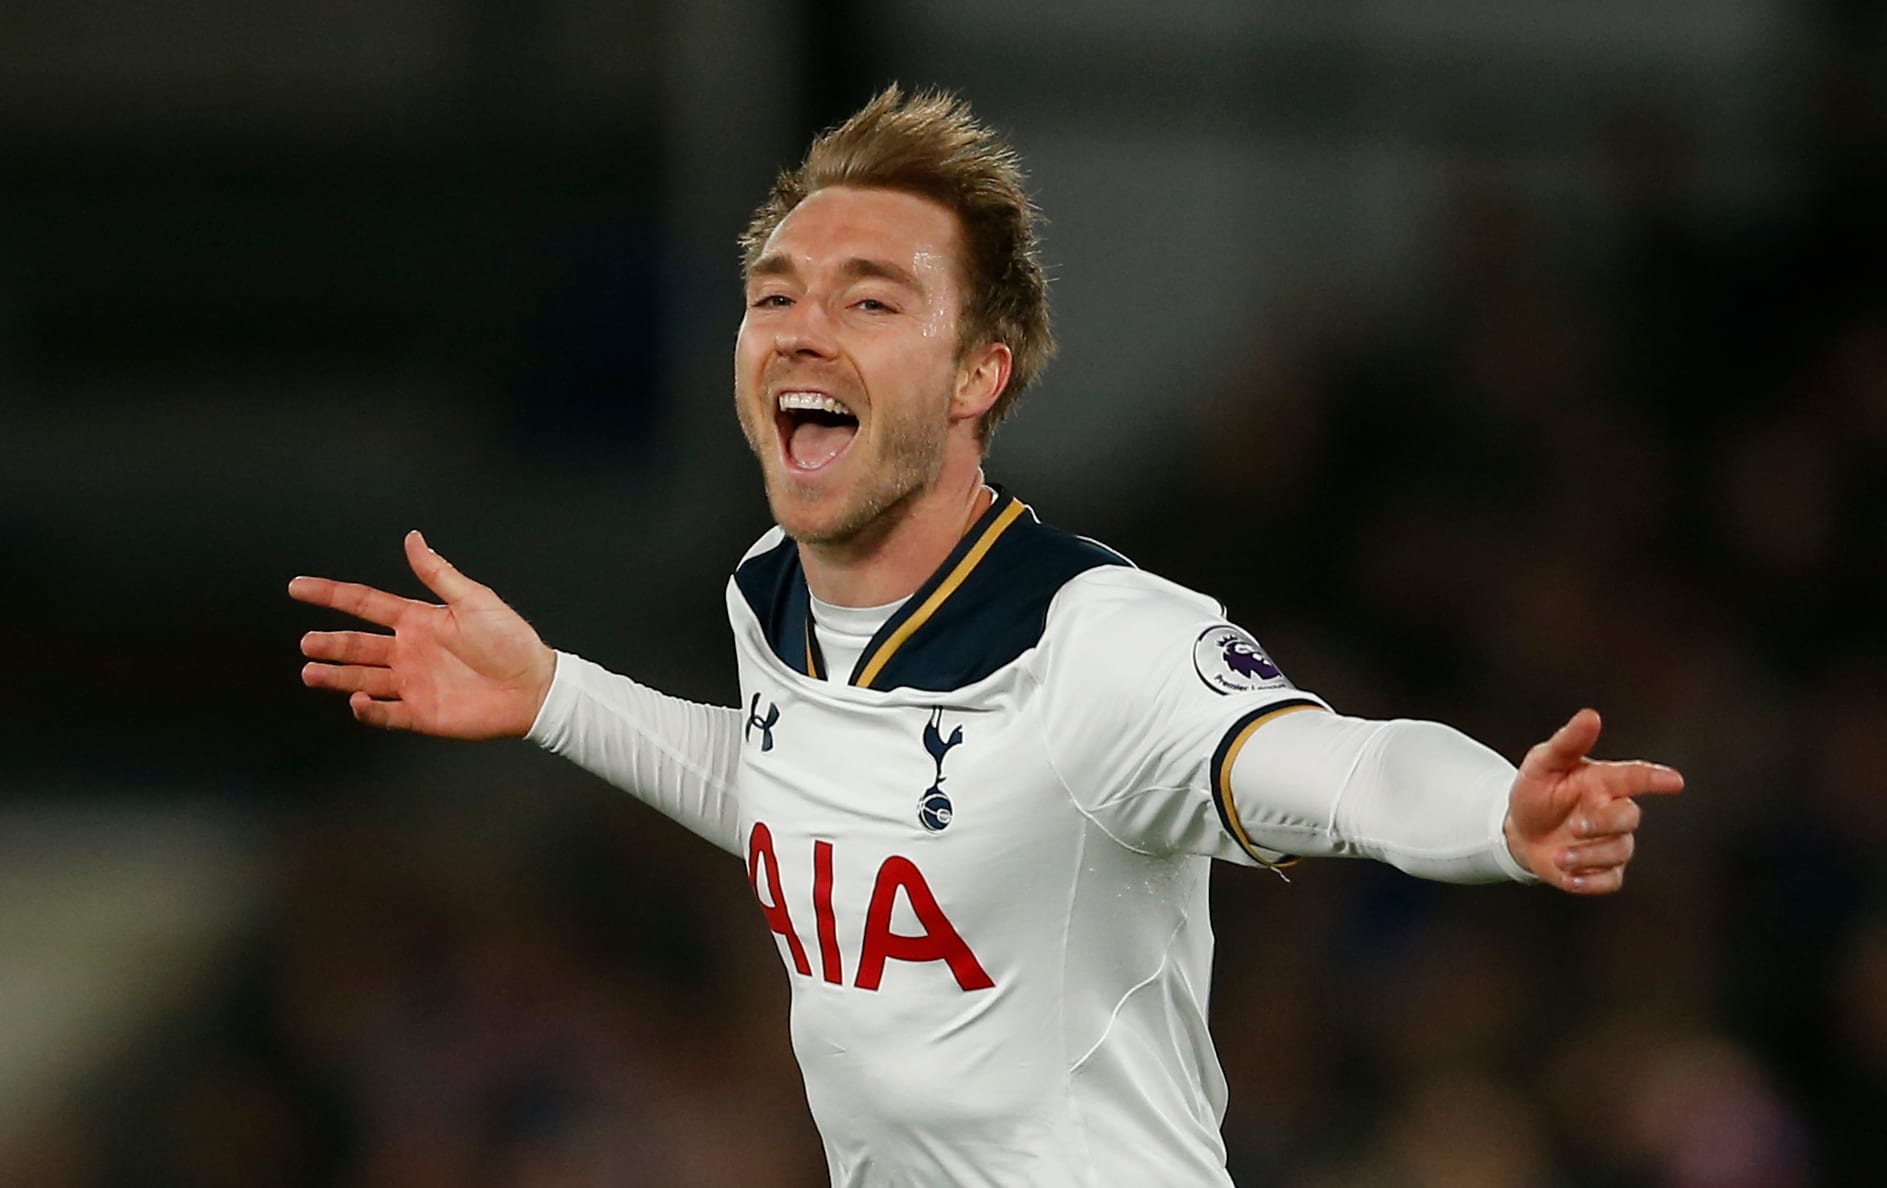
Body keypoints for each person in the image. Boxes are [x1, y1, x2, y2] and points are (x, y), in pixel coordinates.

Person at [290, 86, 1684, 1187]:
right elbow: (808, 799)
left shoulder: (1097, 641)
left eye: (869, 300)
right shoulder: (771, 591)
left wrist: (1494, 814)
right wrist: (554, 694)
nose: (801, 330)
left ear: (977, 374)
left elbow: (1333, 767)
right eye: (775, 294)